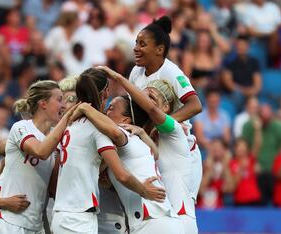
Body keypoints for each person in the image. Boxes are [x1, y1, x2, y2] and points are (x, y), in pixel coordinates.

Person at [51, 68, 165, 234]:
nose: (108, 110)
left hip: (61, 214)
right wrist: (144, 191)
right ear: (105, 93)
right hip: (79, 217)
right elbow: (122, 175)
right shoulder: (98, 129)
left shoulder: (70, 125)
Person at [99, 66, 198, 233]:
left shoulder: (175, 131)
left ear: (166, 108)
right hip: (154, 218)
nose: (144, 100)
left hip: (179, 218)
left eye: (151, 97)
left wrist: (119, 78)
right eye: (141, 96)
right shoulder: (137, 138)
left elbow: (152, 110)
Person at [71, 97, 183, 233]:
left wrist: (86, 108)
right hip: (158, 220)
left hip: (152, 221)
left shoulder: (123, 132)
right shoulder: (136, 140)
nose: (105, 111)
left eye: (112, 108)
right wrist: (142, 133)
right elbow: (155, 153)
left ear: (125, 120)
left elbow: (115, 133)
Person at [127, 16, 202, 203]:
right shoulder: (136, 72)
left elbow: (195, 105)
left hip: (181, 152)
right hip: (156, 150)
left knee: (180, 212)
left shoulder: (172, 72)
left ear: (159, 50)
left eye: (142, 44)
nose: (136, 48)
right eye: (136, 43)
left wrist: (160, 124)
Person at [0, 80, 78, 234]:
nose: (63, 106)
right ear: (43, 104)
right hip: (10, 222)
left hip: (36, 226)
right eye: (59, 100)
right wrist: (67, 119)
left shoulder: (58, 140)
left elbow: (53, 189)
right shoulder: (22, 127)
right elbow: (41, 151)